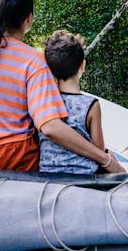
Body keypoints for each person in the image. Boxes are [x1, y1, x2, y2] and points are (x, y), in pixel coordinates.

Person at [0, 0, 123, 173]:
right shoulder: (33, 60)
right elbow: (50, 127)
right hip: (6, 160)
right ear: (28, 19)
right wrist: (105, 159)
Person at [39, 30, 108, 174]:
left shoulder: (43, 102)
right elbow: (99, 150)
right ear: (82, 66)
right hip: (85, 178)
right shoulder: (91, 105)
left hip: (47, 175)